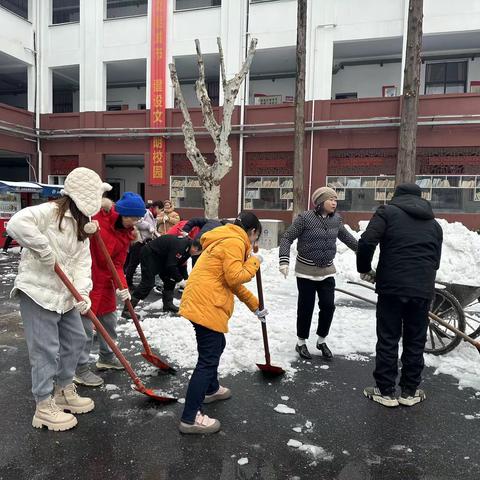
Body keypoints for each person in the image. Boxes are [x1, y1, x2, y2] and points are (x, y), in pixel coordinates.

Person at [6, 167, 111, 431]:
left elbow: (82, 265)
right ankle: (43, 405)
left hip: (65, 295)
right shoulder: (49, 212)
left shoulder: (81, 228)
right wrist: (43, 250)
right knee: (45, 349)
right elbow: (17, 223)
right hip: (38, 292)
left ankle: (64, 389)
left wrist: (84, 293)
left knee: (78, 338)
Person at [178, 211, 266, 434]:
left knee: (217, 346)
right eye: (256, 237)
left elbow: (231, 282)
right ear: (253, 231)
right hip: (206, 303)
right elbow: (236, 276)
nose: (254, 242)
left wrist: (255, 306)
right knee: (207, 359)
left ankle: (211, 389)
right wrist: (254, 262)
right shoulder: (235, 242)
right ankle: (190, 418)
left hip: (200, 299)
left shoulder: (226, 238)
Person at [357, 183, 443, 408]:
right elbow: (436, 260)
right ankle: (409, 391)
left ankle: (385, 392)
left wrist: (364, 268)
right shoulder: (434, 224)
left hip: (392, 287)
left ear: (396, 196)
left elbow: (366, 241)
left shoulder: (387, 212)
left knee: (388, 337)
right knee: (415, 340)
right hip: (422, 288)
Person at [74, 192, 145, 387]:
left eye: (138, 218)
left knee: (109, 323)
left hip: (105, 284)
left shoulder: (127, 235)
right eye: (131, 217)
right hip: (86, 280)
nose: (134, 222)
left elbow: (118, 264)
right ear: (121, 212)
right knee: (85, 330)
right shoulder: (97, 218)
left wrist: (122, 287)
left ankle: (106, 358)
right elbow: (76, 234)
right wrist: (85, 229)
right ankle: (79, 369)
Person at [279, 187, 358, 360]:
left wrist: (364, 251)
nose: (334, 203)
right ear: (321, 202)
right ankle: (301, 342)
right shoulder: (305, 218)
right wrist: (284, 260)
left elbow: (348, 239)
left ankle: (321, 340)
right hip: (306, 271)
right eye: (331, 199)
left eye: (336, 200)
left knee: (328, 306)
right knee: (306, 307)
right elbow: (287, 238)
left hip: (327, 271)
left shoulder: (336, 220)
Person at [123, 234, 202, 316]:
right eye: (199, 253)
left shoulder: (189, 248)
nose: (197, 255)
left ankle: (168, 305)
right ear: (195, 249)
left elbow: (181, 264)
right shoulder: (181, 246)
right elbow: (171, 265)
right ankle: (127, 310)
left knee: (170, 279)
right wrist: (180, 280)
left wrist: (186, 279)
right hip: (150, 254)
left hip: (163, 258)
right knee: (148, 283)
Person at [125, 200, 163, 290]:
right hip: (138, 241)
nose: (160, 212)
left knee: (146, 263)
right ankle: (128, 283)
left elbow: (153, 229)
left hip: (147, 243)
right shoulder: (146, 212)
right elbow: (137, 222)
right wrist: (148, 226)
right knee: (133, 263)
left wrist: (157, 235)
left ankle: (146, 282)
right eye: (160, 210)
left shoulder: (154, 217)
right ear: (156, 207)